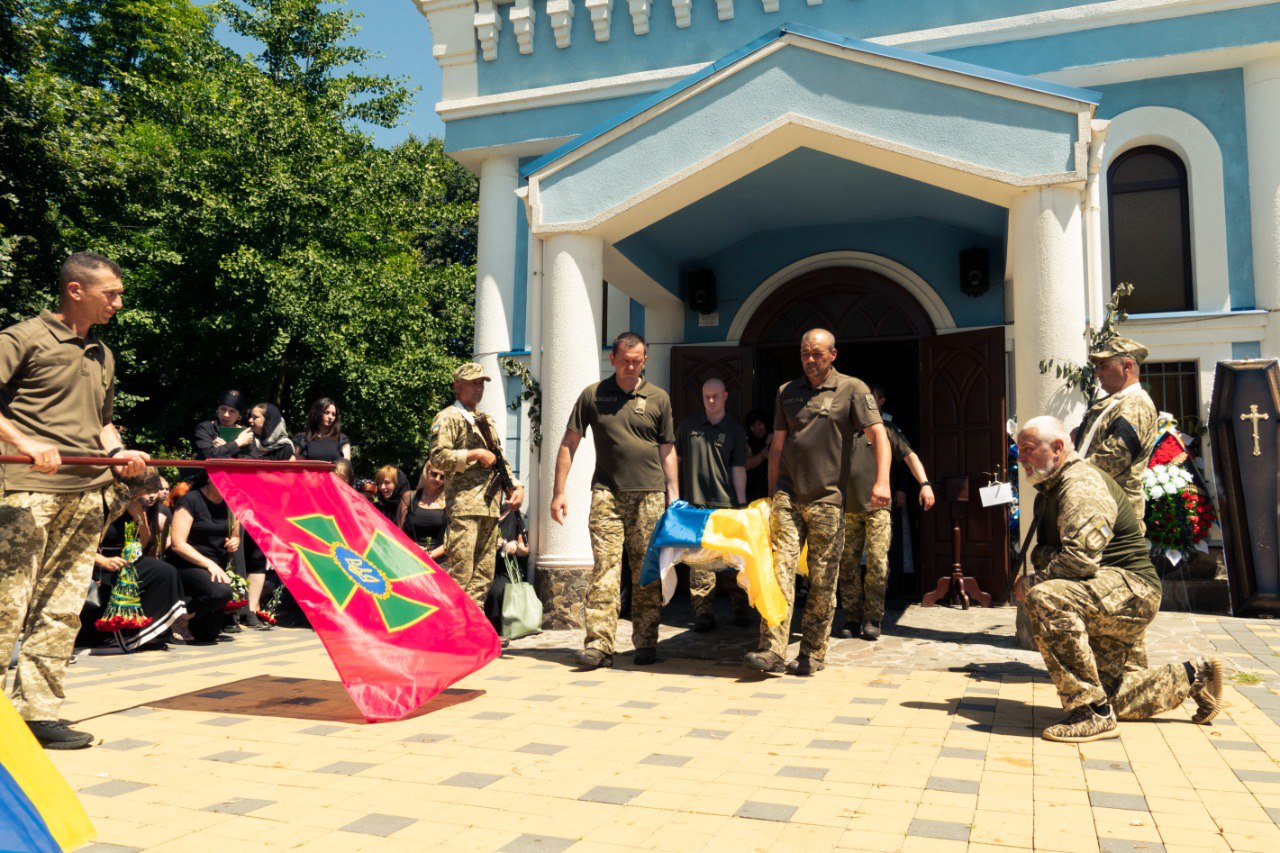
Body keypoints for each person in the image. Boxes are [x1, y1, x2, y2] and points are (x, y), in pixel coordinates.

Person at [0, 251, 150, 749]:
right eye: (111, 293)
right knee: (6, 607)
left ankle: (37, 715)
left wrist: (118, 453)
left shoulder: (102, 353)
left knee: (61, 609)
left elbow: (100, 421)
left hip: (87, 496)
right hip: (26, 493)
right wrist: (23, 443)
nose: (119, 303)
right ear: (75, 290)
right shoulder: (21, 338)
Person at [1013, 417, 1223, 742]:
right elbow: (1054, 553)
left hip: (1129, 590)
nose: (1020, 458)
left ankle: (1091, 713)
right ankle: (1194, 675)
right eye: (1018, 451)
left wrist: (1028, 584)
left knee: (1045, 596)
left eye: (1026, 450)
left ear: (1056, 448)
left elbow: (1079, 561)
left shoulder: (1080, 484)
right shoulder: (1052, 489)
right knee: (1114, 696)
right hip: (1103, 591)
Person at [744, 329, 890, 677]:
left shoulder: (853, 389)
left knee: (824, 580)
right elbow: (777, 446)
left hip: (828, 500)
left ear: (833, 355)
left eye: (818, 354)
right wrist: (772, 492)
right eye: (805, 353)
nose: (810, 360)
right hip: (788, 496)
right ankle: (772, 649)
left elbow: (878, 435)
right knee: (779, 570)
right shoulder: (787, 392)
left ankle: (812, 652)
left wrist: (882, 480)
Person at [551, 332, 678, 669]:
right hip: (607, 494)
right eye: (625, 361)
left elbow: (668, 450)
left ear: (645, 360)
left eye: (637, 361)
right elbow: (569, 443)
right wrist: (559, 491)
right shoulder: (593, 395)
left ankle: (646, 641)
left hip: (650, 497)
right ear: (613, 359)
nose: (631, 367)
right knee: (606, 570)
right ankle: (599, 645)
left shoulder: (658, 398)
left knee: (645, 572)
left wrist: (674, 496)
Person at [836, 386, 935, 641]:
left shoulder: (887, 431)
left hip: (878, 509)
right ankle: (851, 617)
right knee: (847, 566)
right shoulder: (844, 432)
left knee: (878, 563)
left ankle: (873, 617)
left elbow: (910, 456)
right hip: (848, 510)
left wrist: (924, 484)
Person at [429, 363, 524, 612]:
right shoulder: (447, 416)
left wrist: (515, 486)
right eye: (473, 383)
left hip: (489, 506)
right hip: (464, 505)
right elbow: (437, 457)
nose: (478, 388)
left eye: (481, 383)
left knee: (483, 574)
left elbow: (499, 458)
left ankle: (473, 627)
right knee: (460, 571)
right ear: (457, 386)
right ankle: (452, 628)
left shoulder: (485, 419)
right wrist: (474, 453)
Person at [675, 378, 750, 632]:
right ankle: (703, 614)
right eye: (707, 396)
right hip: (697, 505)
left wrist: (741, 505)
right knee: (700, 565)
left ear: (726, 396)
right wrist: (674, 496)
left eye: (716, 396)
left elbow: (739, 469)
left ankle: (741, 608)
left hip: (727, 506)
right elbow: (675, 459)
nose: (711, 400)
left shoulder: (736, 431)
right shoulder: (688, 426)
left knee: (731, 562)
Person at [85, 472, 185, 653]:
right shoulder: (99, 503)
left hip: (125, 559)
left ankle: (146, 631)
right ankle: (114, 635)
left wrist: (138, 517)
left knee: (164, 571)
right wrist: (103, 561)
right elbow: (79, 545)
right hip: (97, 564)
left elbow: (144, 543)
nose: (148, 496)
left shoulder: (134, 507)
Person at [1073, 337, 1158, 533]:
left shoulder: (1135, 403)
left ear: (1127, 367)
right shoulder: (1119, 402)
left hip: (1114, 513)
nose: (1097, 373)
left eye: (1103, 366)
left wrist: (1069, 473)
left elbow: (1114, 458)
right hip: (1102, 507)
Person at [164, 474, 237, 643]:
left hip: (214, 564)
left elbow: (235, 534)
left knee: (207, 635)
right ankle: (178, 617)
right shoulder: (191, 500)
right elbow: (177, 544)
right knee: (221, 592)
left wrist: (235, 541)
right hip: (186, 562)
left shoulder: (230, 502)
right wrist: (209, 564)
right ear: (210, 479)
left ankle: (188, 610)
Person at [240, 402, 293, 626]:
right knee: (238, 555)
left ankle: (251, 610)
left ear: (268, 421)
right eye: (250, 417)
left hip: (267, 509)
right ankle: (235, 608)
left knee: (257, 558)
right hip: (241, 505)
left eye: (256, 417)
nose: (250, 421)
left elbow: (283, 480)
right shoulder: (244, 441)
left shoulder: (286, 447)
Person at [397, 464, 448, 563]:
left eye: (443, 477)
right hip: (409, 557)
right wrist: (412, 547)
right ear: (426, 473)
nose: (437, 479)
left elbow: (452, 538)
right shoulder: (409, 497)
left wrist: (432, 555)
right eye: (434, 474)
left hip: (438, 563)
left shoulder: (449, 502)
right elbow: (399, 531)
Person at [193, 390, 251, 459]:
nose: (226, 415)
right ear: (218, 410)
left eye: (232, 411)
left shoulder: (246, 433)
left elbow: (251, 460)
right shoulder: (205, 428)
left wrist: (225, 447)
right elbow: (208, 454)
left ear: (239, 415)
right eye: (223, 409)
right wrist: (238, 443)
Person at [295, 397, 351, 462]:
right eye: (327, 412)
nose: (330, 417)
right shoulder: (302, 439)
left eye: (333, 414)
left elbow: (346, 466)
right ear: (317, 413)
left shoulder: (341, 439)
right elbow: (297, 465)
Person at [743, 409, 772, 503]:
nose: (757, 428)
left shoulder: (774, 436)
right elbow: (746, 465)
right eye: (753, 426)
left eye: (759, 424)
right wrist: (764, 453)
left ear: (765, 423)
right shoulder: (748, 441)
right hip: (753, 490)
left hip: (772, 488)